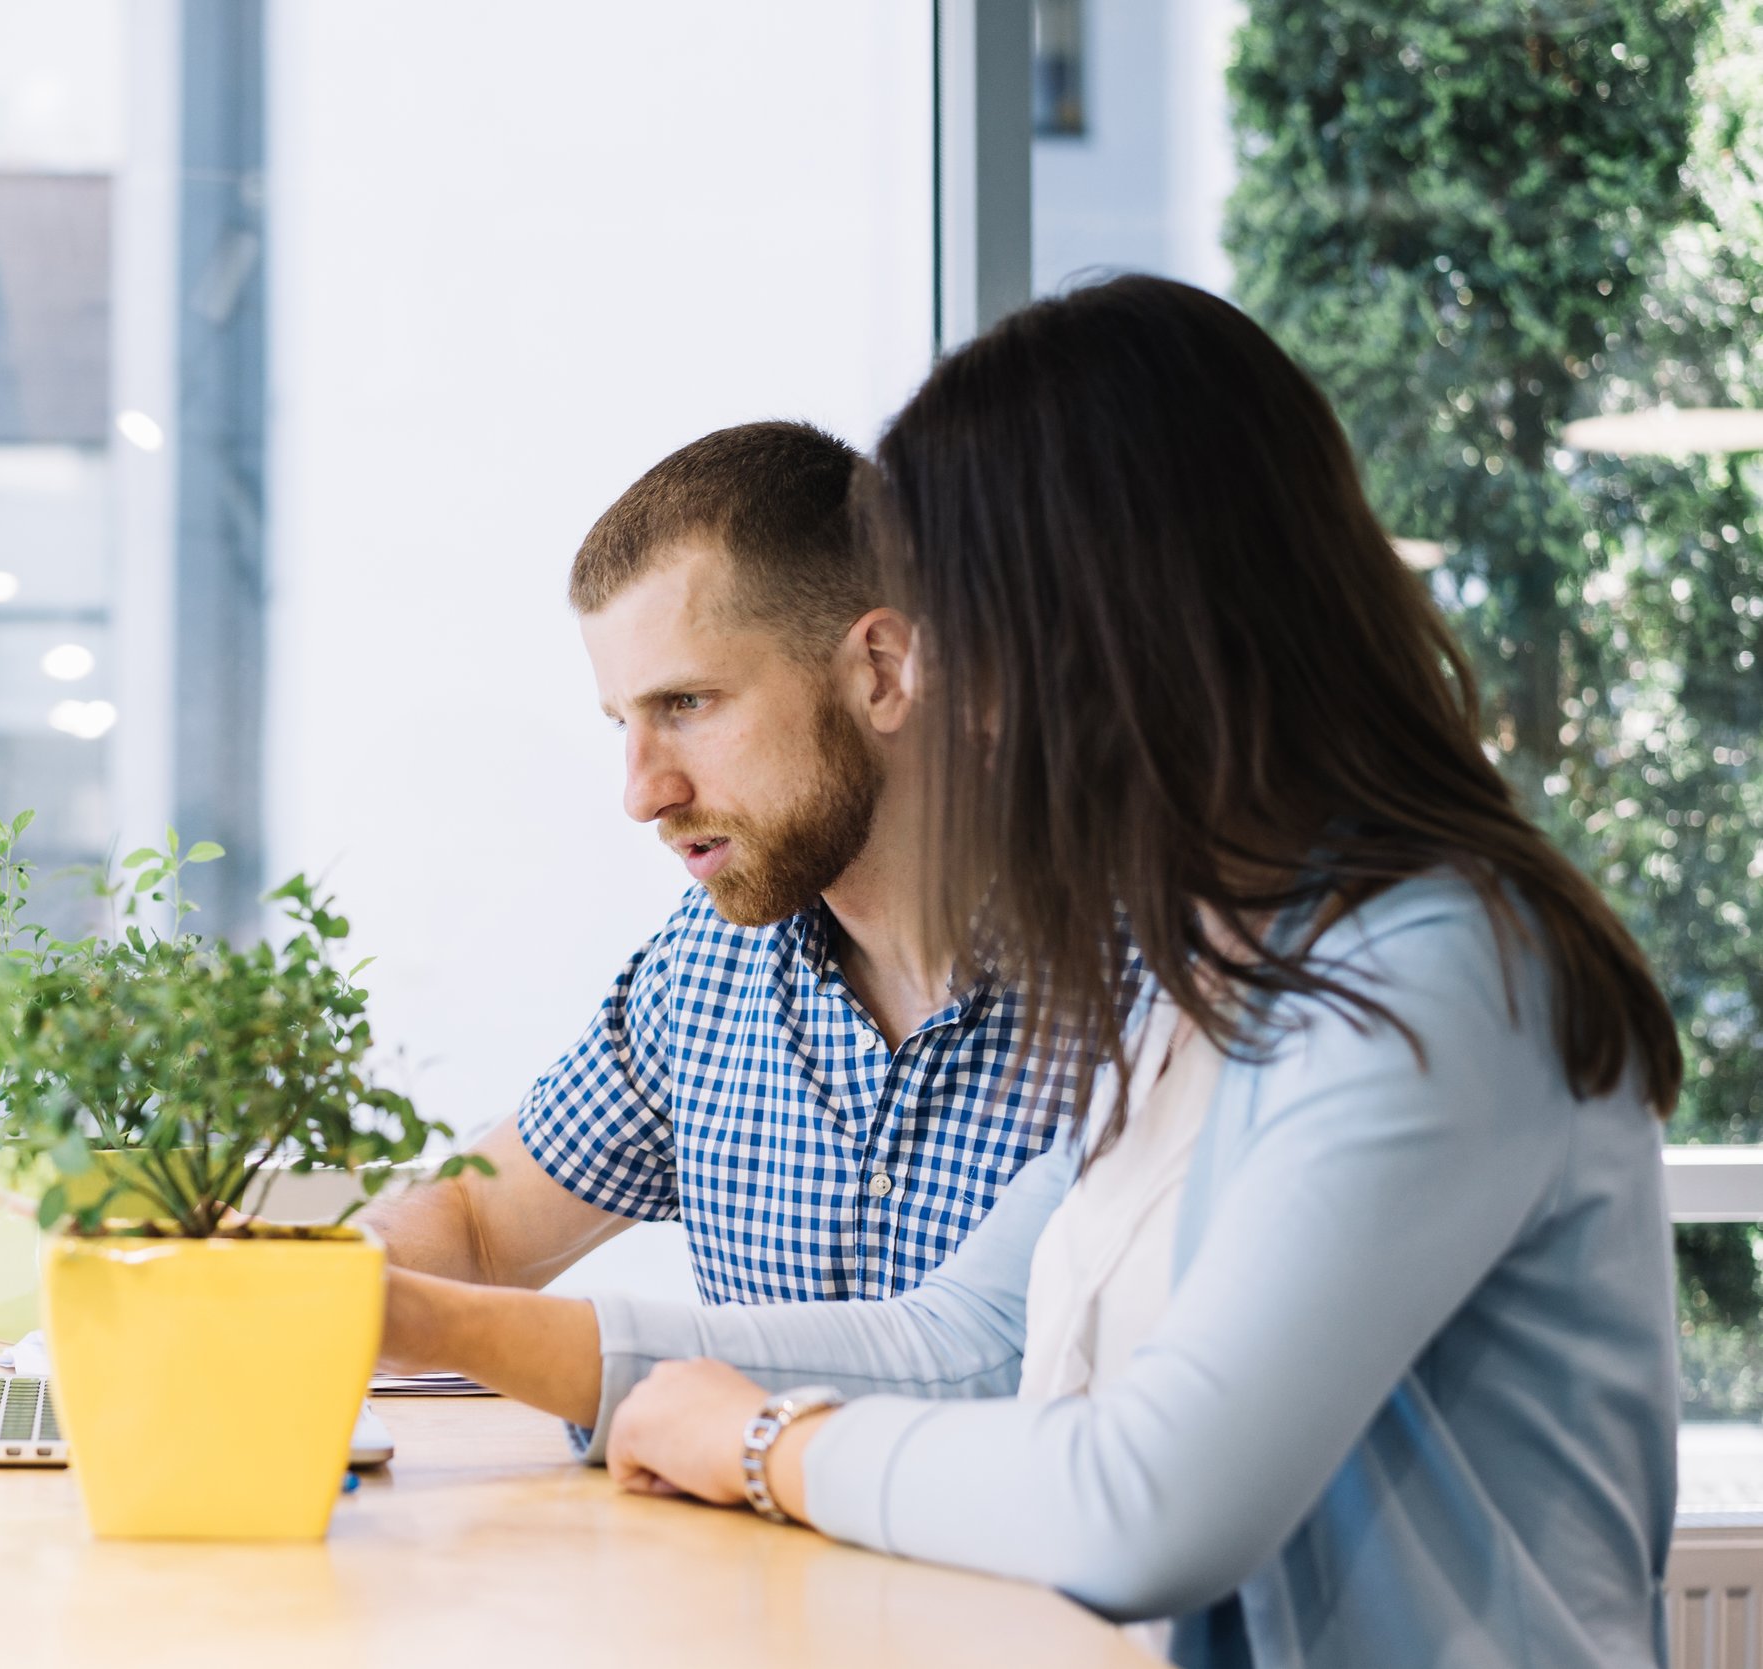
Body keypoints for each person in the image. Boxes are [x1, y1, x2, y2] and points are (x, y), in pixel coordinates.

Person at [379, 276, 1681, 1668]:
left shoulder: (1439, 970)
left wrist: (774, 1443)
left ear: (1118, 621)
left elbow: (1152, 1500)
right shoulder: (1223, 967)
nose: (947, 693)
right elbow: (975, 1340)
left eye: (968, 626)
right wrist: (411, 1318)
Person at [365, 421, 1123, 1304]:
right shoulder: (711, 959)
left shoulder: (1154, 980)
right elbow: (479, 1224)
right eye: (624, 723)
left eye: (687, 703)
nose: (643, 794)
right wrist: (291, 1289)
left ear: (879, 672)